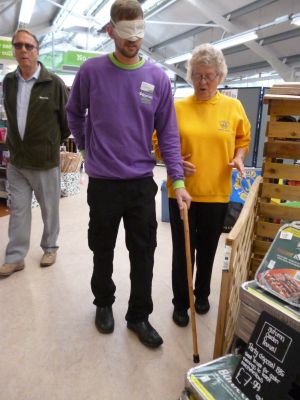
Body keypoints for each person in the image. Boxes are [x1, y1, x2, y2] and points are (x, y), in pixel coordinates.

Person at [66, 0, 191, 348]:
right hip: (103, 182)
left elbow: (168, 132)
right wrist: (87, 147)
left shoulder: (156, 79)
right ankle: (103, 302)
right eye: (125, 32)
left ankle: (139, 315)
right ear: (110, 31)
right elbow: (74, 113)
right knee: (101, 248)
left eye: (138, 31)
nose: (133, 39)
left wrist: (177, 179)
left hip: (140, 183)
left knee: (144, 252)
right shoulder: (91, 72)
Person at [168, 43, 251, 327]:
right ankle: (181, 302)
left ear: (220, 76)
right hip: (182, 191)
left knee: (207, 250)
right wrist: (175, 160)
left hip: (216, 193)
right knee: (182, 252)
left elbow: (243, 139)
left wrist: (239, 157)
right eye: (197, 75)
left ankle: (201, 294)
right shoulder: (176, 107)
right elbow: (158, 143)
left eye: (209, 76)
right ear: (190, 75)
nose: (203, 82)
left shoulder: (233, 107)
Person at [0, 29, 70, 278]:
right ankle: (15, 257)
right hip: (17, 160)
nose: (23, 51)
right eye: (18, 46)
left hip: (44, 161)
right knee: (18, 209)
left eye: (28, 46)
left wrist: (50, 145)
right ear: (14, 50)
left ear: (37, 50)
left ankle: (50, 247)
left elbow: (67, 122)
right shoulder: (8, 82)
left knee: (49, 208)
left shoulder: (54, 83)